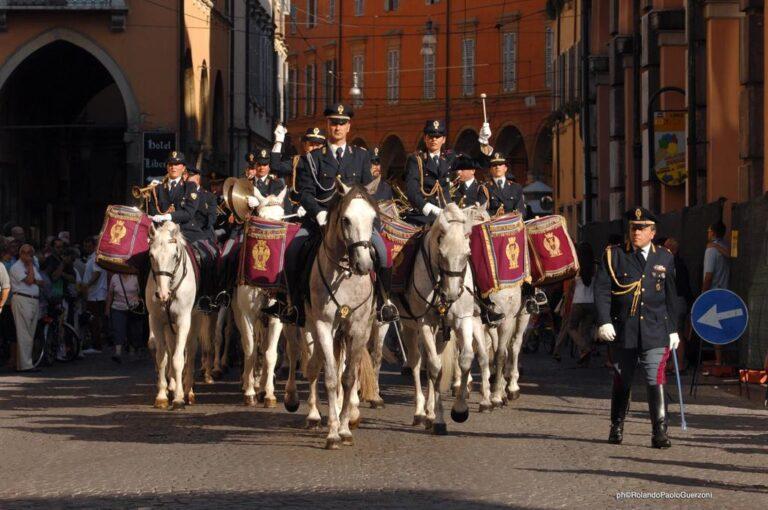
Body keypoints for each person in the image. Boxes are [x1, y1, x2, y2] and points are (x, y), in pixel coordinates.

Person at [277, 103, 397, 325]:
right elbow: (304, 192)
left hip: (355, 225)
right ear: (327, 125)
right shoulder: (311, 159)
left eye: (342, 123)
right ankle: (294, 306)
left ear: (349, 127)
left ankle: (384, 301)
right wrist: (319, 213)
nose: (337, 127)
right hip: (319, 223)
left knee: (383, 252)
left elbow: (368, 192)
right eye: (333, 123)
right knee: (292, 252)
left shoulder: (360, 156)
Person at [594, 207, 679, 449]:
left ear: (653, 232)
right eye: (633, 227)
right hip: (625, 329)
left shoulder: (664, 257)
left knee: (655, 377)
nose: (636, 232)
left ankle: (659, 431)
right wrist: (604, 320)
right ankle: (617, 425)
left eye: (642, 228)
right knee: (623, 378)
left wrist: (673, 328)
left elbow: (671, 297)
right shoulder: (615, 255)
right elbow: (601, 291)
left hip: (655, 329)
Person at [147, 151, 215, 311]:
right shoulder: (157, 188)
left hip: (186, 233)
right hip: (162, 234)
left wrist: (168, 216)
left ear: (183, 168)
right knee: (145, 258)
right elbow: (151, 210)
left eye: (177, 164)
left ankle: (205, 296)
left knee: (205, 256)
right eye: (170, 164)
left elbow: (189, 212)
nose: (173, 167)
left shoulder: (190, 187)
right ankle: (143, 299)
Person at [554, 242, 597, 366]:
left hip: (578, 302)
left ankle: (585, 348)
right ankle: (585, 359)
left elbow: (571, 288)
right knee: (585, 331)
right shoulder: (595, 266)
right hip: (592, 303)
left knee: (571, 327)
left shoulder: (576, 267)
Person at [9, 244, 43, 372]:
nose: (30, 256)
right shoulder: (16, 267)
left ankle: (25, 363)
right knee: (24, 333)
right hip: (22, 299)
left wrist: (32, 273)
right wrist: (30, 267)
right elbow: (30, 281)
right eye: (28, 253)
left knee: (30, 332)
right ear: (22, 254)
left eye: (31, 254)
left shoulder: (33, 266)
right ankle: (25, 365)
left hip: (33, 300)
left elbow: (41, 282)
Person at [701, 220, 730, 366]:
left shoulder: (711, 250)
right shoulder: (725, 246)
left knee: (715, 325)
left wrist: (703, 294)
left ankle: (718, 361)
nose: (707, 233)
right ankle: (721, 359)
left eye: (708, 230)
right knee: (721, 324)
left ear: (713, 232)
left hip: (713, 292)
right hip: (725, 291)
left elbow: (708, 274)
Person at [663, 238, 692, 371]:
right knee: (676, 332)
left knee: (676, 333)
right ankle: (674, 363)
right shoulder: (681, 263)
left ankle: (678, 363)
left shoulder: (670, 264)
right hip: (680, 300)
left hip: (675, 301)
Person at [105, 273, 142, 363]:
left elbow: (140, 293)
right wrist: (107, 309)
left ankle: (132, 352)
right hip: (117, 308)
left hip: (133, 309)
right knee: (118, 330)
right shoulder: (115, 277)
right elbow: (110, 294)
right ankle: (118, 352)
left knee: (133, 331)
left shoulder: (135, 277)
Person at [484, 151, 526, 217]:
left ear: (505, 168)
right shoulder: (485, 188)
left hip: (512, 224)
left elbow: (521, 211)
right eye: (494, 165)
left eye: (500, 164)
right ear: (490, 170)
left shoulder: (516, 187)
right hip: (493, 225)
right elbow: (483, 212)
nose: (497, 167)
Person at [82, 248, 108, 353]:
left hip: (95, 294)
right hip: (95, 294)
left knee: (94, 320)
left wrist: (87, 285)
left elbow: (96, 273)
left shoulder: (96, 258)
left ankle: (96, 345)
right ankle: (96, 343)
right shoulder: (94, 258)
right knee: (96, 320)